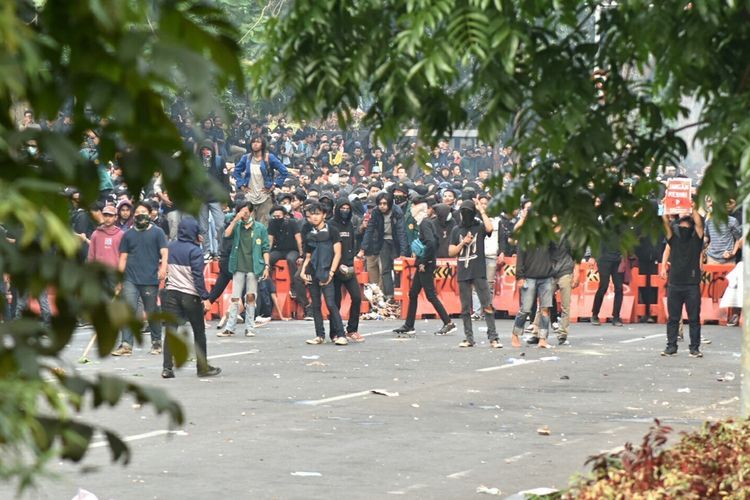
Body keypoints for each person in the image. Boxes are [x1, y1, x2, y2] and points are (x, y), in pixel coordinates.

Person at [161, 217, 221, 378]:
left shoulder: (171, 247)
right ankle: (202, 367)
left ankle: (167, 368)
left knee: (171, 332)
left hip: (172, 293)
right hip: (190, 295)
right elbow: (197, 277)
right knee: (198, 332)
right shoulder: (195, 251)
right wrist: (205, 297)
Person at [394, 198, 457, 337]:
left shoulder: (425, 223)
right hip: (427, 262)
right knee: (413, 293)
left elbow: (431, 242)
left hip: (425, 264)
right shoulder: (434, 224)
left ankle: (448, 322)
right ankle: (409, 325)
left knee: (430, 295)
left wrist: (423, 261)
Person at [113, 202, 168, 356]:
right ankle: (126, 344)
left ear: (150, 214)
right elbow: (122, 258)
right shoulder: (128, 235)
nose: (139, 214)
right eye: (137, 212)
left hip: (150, 279)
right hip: (130, 278)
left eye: (143, 211)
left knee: (151, 311)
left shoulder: (158, 233)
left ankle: (156, 342)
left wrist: (163, 268)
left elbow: (164, 253)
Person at [448, 200, 500, 348]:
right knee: (465, 308)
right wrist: (463, 242)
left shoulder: (479, 227)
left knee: (487, 305)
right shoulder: (456, 230)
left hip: (478, 271)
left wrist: (482, 211)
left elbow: (490, 228)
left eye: (469, 211)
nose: (466, 214)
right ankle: (469, 338)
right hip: (463, 271)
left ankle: (493, 338)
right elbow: (451, 252)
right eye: (463, 211)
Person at [219, 202, 270, 337]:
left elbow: (265, 248)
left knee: (251, 296)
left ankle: (250, 327)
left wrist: (266, 266)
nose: (244, 214)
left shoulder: (259, 228)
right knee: (235, 297)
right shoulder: (237, 226)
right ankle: (230, 327)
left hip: (254, 266)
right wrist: (235, 219)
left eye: (246, 212)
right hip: (238, 265)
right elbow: (226, 234)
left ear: (251, 212)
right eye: (242, 211)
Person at [301, 201, 347, 345]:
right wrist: (303, 271)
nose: (314, 217)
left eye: (317, 214)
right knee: (315, 304)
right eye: (311, 215)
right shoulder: (308, 233)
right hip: (312, 272)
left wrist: (331, 273)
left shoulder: (332, 231)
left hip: (327, 271)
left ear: (324, 215)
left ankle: (341, 334)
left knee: (330, 303)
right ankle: (319, 335)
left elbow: (338, 253)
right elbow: (307, 256)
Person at [661, 205, 705, 357]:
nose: (683, 227)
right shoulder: (674, 240)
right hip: (674, 284)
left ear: (691, 228)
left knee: (694, 318)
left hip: (692, 285)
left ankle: (694, 348)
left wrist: (691, 208)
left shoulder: (696, 240)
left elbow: (699, 224)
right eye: (681, 225)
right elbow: (665, 223)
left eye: (686, 225)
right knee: (673, 318)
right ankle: (671, 346)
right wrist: (664, 207)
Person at [510, 204, 554, 348]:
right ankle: (515, 335)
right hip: (528, 277)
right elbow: (520, 258)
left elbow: (556, 253)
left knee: (546, 309)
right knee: (525, 309)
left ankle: (543, 339)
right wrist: (519, 277)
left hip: (547, 277)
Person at [358, 192, 409, 302]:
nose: (382, 206)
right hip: (383, 241)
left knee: (397, 269)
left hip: (395, 241)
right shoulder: (376, 212)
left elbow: (401, 232)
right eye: (380, 203)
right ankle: (389, 295)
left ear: (390, 203)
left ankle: (398, 294)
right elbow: (369, 230)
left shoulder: (397, 212)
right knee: (385, 269)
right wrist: (363, 249)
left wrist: (403, 253)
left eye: (385, 204)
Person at [329, 198, 364, 342]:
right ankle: (335, 332)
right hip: (335, 267)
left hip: (349, 267)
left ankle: (352, 329)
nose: (345, 211)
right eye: (342, 208)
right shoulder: (331, 225)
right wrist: (336, 266)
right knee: (335, 302)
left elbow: (351, 245)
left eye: (347, 208)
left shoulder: (350, 225)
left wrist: (351, 261)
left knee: (356, 297)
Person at [233, 135, 289, 224]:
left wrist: (273, 185)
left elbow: (284, 172)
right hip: (250, 196)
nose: (255, 144)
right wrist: (242, 185)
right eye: (253, 142)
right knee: (248, 224)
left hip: (265, 196)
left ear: (262, 145)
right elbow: (236, 172)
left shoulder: (269, 157)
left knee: (264, 225)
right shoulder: (246, 158)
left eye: (258, 142)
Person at [198, 139, 230, 259]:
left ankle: (221, 250)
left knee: (220, 225)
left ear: (212, 150)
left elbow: (225, 181)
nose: (206, 152)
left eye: (208, 149)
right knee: (203, 227)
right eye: (204, 149)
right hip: (201, 199)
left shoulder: (219, 161)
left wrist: (225, 198)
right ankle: (206, 251)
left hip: (216, 198)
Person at [87, 204, 124, 294]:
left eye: (110, 216)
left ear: (116, 217)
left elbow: (124, 257)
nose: (107, 218)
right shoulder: (95, 234)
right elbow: (91, 256)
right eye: (105, 215)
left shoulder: (122, 235)